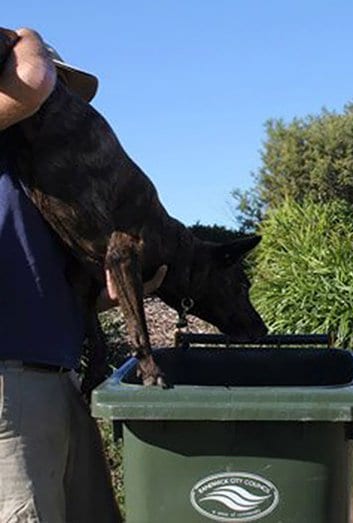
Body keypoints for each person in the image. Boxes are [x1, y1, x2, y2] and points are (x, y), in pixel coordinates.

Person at [0, 28, 165, 522]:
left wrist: (120, 292)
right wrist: (29, 41)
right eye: (58, 89)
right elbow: (31, 77)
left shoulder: (49, 182)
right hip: (11, 385)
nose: (62, 103)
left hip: (58, 381)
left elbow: (42, 284)